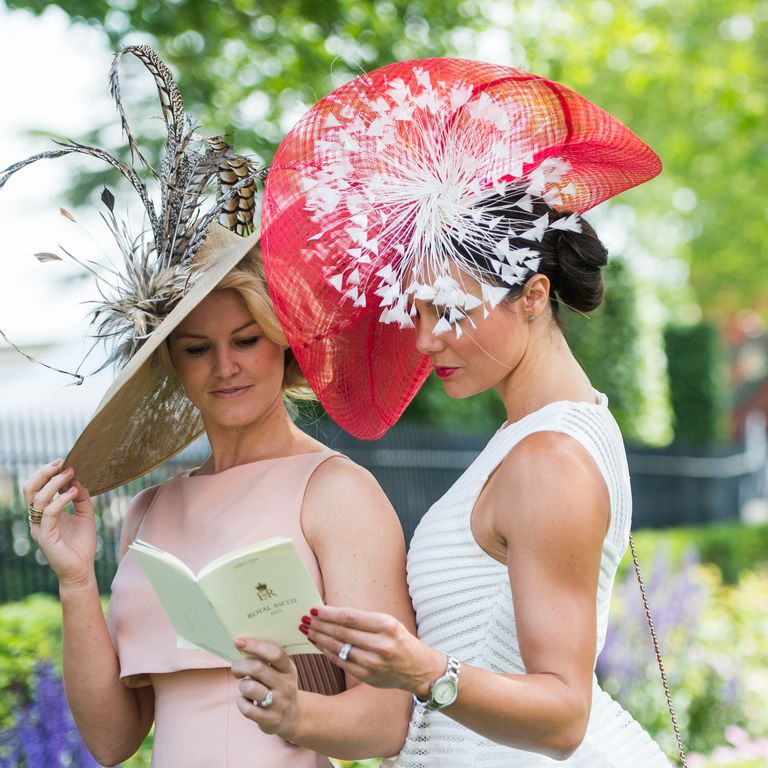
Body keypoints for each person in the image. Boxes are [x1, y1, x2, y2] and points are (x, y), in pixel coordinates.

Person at [259, 59, 673, 766]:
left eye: (449, 312)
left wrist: (422, 670)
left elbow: (564, 714)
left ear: (534, 295)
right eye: (417, 313)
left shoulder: (550, 462)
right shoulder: (528, 440)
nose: (425, 341)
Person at [13, 46, 413, 767]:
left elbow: (387, 723)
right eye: (196, 347)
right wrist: (75, 577)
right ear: (172, 363)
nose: (225, 366)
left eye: (247, 339)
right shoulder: (149, 512)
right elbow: (110, 741)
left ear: (284, 345)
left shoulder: (338, 493)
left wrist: (297, 714)